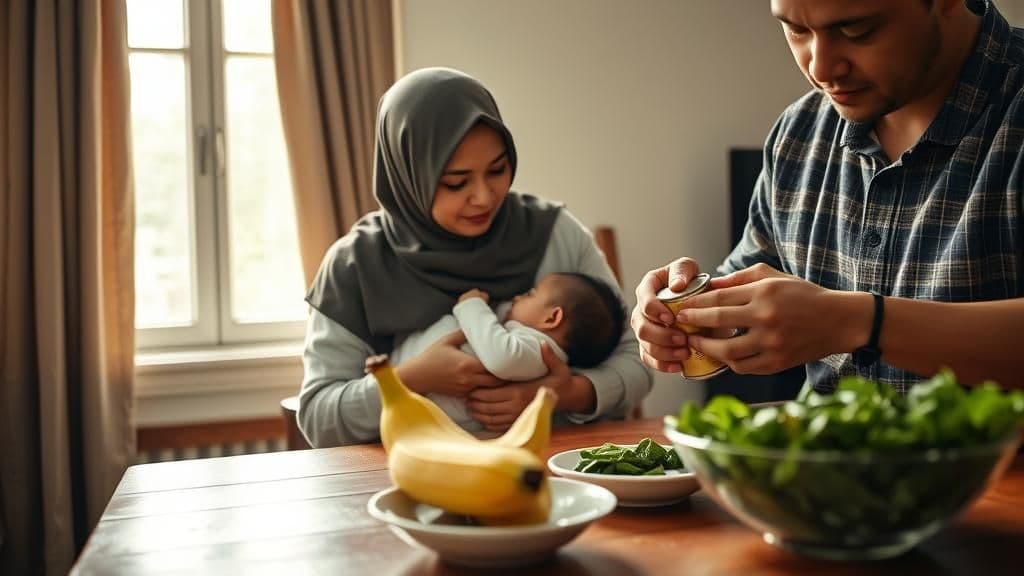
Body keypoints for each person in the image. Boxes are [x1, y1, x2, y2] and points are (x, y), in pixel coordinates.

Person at [632, 0, 1023, 394]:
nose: (819, 69)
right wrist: (680, 317)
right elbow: (746, 298)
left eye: (857, 31)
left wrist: (859, 323)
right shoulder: (798, 133)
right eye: (797, 30)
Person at [301, 67, 651, 447]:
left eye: (498, 170)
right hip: (413, 477)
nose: (484, 197)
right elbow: (319, 418)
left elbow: (637, 361)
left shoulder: (553, 233)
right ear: (408, 177)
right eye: (456, 182)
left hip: (553, 468)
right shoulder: (356, 265)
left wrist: (564, 394)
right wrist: (412, 378)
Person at [392, 273, 626, 432]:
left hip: (425, 407)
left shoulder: (538, 350)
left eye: (530, 294)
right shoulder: (530, 341)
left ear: (552, 318)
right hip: (416, 385)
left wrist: (472, 305)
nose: (517, 297)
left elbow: (502, 358)